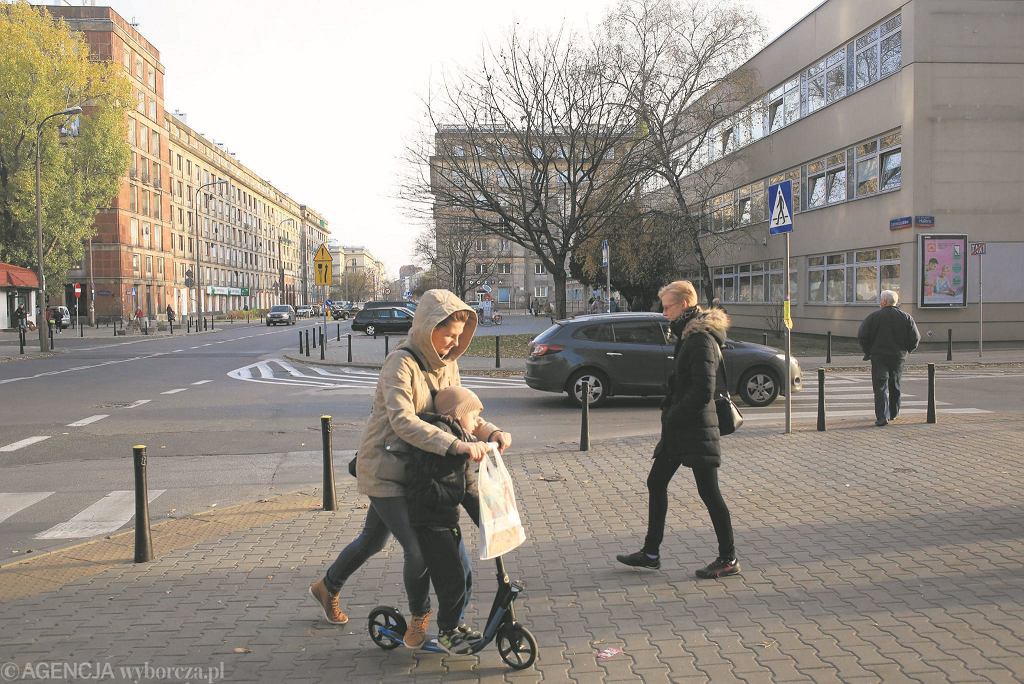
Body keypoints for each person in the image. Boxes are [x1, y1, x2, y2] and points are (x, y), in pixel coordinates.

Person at [308, 289, 512, 649]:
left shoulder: (448, 365)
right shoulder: (399, 364)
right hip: (386, 469)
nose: (453, 344)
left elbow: (461, 412)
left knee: (372, 539)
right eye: (448, 335)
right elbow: (402, 421)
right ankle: (419, 619)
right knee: (418, 549)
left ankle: (327, 587)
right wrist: (456, 445)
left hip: (419, 472)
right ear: (427, 327)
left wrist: (489, 431)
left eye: (459, 338)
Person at [616, 280, 740, 579]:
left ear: (684, 304)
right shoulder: (687, 334)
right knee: (656, 482)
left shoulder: (701, 339)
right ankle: (651, 552)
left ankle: (728, 558)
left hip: (696, 428)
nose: (664, 312)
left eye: (668, 306)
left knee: (709, 492)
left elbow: (703, 390)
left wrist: (675, 414)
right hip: (681, 429)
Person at [406, 386, 488, 654]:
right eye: (474, 416)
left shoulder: (461, 440)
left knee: (464, 575)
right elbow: (429, 476)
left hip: (446, 520)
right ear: (457, 414)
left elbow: (469, 489)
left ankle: (455, 623)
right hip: (430, 522)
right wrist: (459, 453)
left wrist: (486, 520)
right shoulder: (437, 439)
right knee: (450, 579)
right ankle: (446, 632)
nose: (477, 423)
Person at [857, 289, 920, 427]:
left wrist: (868, 351)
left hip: (879, 356)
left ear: (884, 301)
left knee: (880, 386)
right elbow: (915, 338)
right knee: (895, 384)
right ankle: (893, 413)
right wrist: (907, 350)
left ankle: (881, 416)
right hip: (898, 357)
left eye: (881, 300)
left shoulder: (873, 317)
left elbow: (862, 336)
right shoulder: (906, 317)